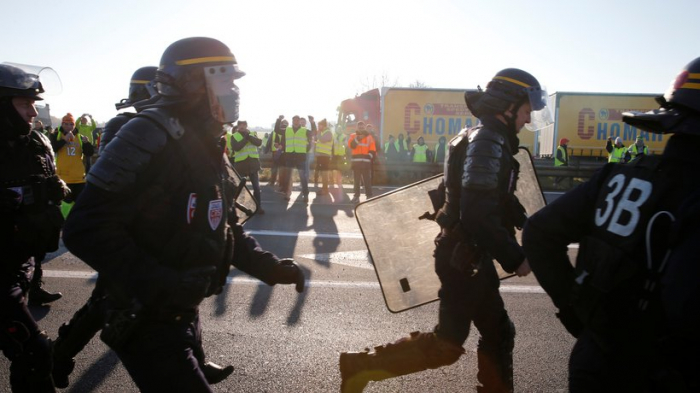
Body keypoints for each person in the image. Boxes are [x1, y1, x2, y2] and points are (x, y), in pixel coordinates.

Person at [61, 37, 306, 393]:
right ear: (191, 82)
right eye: (225, 80)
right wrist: (159, 281)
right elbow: (84, 228)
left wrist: (268, 266)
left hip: (180, 312)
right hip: (144, 315)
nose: (234, 90)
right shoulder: (146, 133)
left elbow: (222, 224)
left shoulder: (206, 139)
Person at [339, 68, 548, 393]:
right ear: (507, 106)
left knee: (499, 332)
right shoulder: (488, 141)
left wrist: (531, 223)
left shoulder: (485, 138)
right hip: (464, 259)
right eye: (525, 110)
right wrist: (515, 256)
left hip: (469, 255)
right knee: (447, 345)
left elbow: (493, 198)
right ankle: (360, 366)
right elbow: (477, 213)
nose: (527, 118)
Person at [522, 57, 700, 393]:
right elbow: (685, 306)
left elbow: (539, 232)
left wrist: (579, 317)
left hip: (594, 358)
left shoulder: (618, 175)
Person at [0, 63, 70, 392]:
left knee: (25, 361)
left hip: (22, 263)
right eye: (24, 103)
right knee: (36, 353)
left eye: (34, 103)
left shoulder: (35, 142)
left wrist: (54, 187)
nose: (33, 112)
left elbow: (44, 182)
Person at [49, 113, 94, 218]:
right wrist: (64, 140)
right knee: (66, 205)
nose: (68, 127)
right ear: (62, 124)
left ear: (74, 125)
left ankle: (79, 225)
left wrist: (87, 144)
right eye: (66, 124)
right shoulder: (56, 135)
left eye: (71, 124)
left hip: (79, 178)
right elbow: (53, 149)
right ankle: (66, 225)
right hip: (63, 178)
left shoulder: (80, 137)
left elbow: (89, 153)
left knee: (80, 205)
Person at [275, 114, 314, 202]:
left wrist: (312, 122)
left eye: (297, 120)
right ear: (292, 121)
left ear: (299, 121)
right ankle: (287, 194)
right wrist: (279, 119)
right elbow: (276, 130)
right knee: (288, 177)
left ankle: (305, 194)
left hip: (300, 156)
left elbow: (314, 133)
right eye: (294, 120)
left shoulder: (304, 130)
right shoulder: (287, 130)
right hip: (290, 156)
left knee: (302, 177)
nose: (296, 122)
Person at [230, 120, 264, 214]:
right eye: (240, 125)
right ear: (237, 127)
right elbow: (237, 147)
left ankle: (258, 207)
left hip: (253, 165)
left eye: (244, 125)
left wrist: (249, 136)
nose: (242, 127)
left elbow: (258, 143)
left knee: (256, 188)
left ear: (246, 126)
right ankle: (240, 208)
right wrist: (246, 138)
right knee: (240, 188)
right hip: (241, 166)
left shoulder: (252, 134)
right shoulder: (234, 136)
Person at [348, 121, 376, 204]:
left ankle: (369, 196)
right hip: (356, 162)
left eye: (362, 127)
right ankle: (356, 196)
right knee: (356, 180)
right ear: (357, 127)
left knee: (367, 180)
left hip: (365, 162)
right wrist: (358, 139)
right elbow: (351, 146)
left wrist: (369, 156)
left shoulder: (369, 137)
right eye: (359, 127)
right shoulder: (353, 136)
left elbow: (373, 149)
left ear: (364, 128)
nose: (361, 128)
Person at [313, 119, 333, 195]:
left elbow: (323, 140)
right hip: (320, 156)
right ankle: (324, 188)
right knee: (322, 172)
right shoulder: (322, 132)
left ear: (323, 125)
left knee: (324, 173)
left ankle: (325, 189)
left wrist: (318, 134)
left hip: (325, 156)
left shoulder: (328, 132)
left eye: (319, 125)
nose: (318, 127)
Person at [265, 119, 285, 187]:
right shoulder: (274, 132)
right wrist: (266, 149)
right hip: (275, 152)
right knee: (275, 168)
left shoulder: (287, 132)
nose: (283, 125)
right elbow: (269, 141)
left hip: (283, 152)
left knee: (280, 168)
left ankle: (280, 182)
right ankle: (273, 181)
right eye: (282, 124)